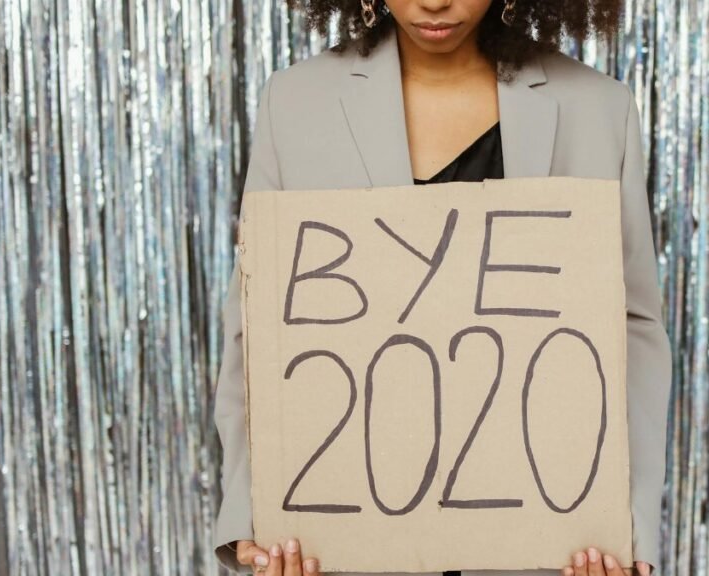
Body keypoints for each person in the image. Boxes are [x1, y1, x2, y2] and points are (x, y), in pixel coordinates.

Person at [213, 0, 673, 574]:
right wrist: (252, 520)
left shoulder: (598, 107)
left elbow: (632, 329)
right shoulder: (295, 103)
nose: (434, 2)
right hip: (346, 544)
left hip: (543, 547)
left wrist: (627, 532)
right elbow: (256, 325)